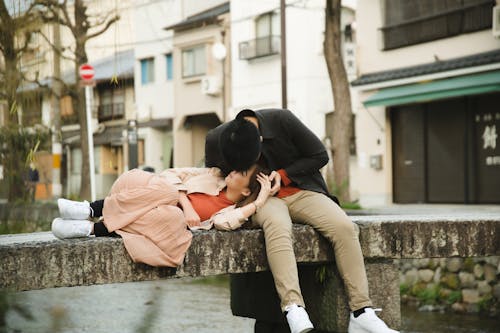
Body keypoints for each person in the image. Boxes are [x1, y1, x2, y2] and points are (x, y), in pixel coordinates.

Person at [205, 109, 399, 333]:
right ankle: (293, 307)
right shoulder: (216, 139)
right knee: (278, 226)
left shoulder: (282, 120)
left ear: (260, 140)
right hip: (261, 199)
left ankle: (361, 312)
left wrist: (283, 174)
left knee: (344, 227)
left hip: (300, 191)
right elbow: (212, 178)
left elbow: (320, 155)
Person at [51, 165, 271, 267]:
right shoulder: (210, 175)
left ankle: (88, 222)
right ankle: (89, 216)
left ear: (245, 191)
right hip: (141, 194)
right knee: (155, 186)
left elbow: (224, 224)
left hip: (160, 222)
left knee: (172, 216)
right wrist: (186, 204)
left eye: (240, 173)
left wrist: (259, 202)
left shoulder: (230, 212)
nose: (233, 171)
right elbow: (169, 175)